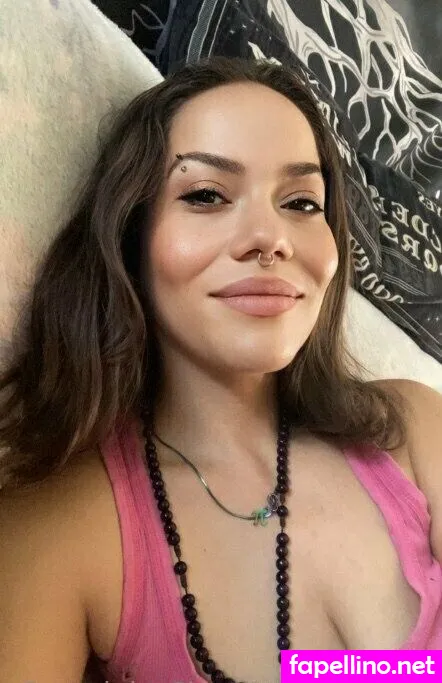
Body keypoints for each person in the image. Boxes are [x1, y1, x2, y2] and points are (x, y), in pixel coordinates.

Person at [0, 56, 441, 683]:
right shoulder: (54, 526)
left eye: (301, 202)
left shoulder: (412, 425)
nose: (271, 237)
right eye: (206, 195)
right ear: (131, 234)